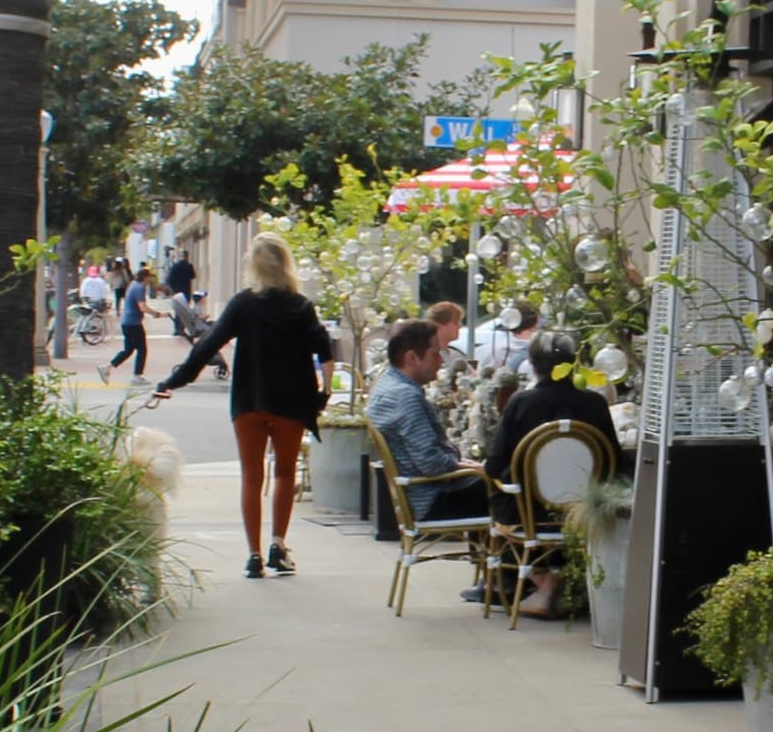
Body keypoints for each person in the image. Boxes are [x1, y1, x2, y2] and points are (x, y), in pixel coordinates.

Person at [151, 232, 337, 580]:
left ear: (253, 264)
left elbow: (207, 344)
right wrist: (323, 394)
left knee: (251, 476)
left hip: (249, 400)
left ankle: (253, 555)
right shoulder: (301, 306)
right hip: (291, 402)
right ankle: (278, 545)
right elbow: (324, 352)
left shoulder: (242, 304)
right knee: (284, 472)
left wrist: (173, 381)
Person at [480, 331, 614, 618]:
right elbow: (613, 461)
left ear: (532, 364)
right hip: (583, 512)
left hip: (528, 512)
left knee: (496, 489)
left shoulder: (520, 403)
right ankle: (565, 582)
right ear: (575, 363)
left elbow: (494, 466)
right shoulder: (595, 404)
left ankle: (542, 580)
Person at [367, 319, 490, 594]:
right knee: (508, 491)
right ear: (412, 357)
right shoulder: (405, 397)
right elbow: (430, 462)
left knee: (492, 481)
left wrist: (465, 465)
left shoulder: (386, 385)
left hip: (417, 494)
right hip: (431, 498)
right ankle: (510, 580)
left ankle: (494, 579)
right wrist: (467, 466)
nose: (441, 362)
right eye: (436, 353)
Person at [108, 264, 151, 379]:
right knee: (142, 349)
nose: (150, 280)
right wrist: (157, 314)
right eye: (149, 277)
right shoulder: (140, 288)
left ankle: (107, 367)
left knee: (129, 350)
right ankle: (137, 375)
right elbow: (142, 307)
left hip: (127, 322)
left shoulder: (133, 285)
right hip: (134, 323)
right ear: (145, 277)